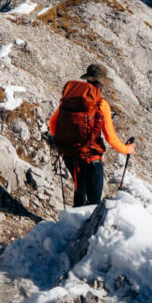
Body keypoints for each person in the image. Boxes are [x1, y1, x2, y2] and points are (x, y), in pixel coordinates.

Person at [48, 63, 135, 206]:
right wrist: (127, 149)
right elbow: (110, 138)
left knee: (79, 192)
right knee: (93, 203)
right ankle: (86, 227)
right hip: (91, 158)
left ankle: (74, 225)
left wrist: (71, 139)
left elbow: (53, 125)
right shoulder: (101, 103)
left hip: (71, 156)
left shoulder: (71, 98)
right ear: (101, 83)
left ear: (88, 79)